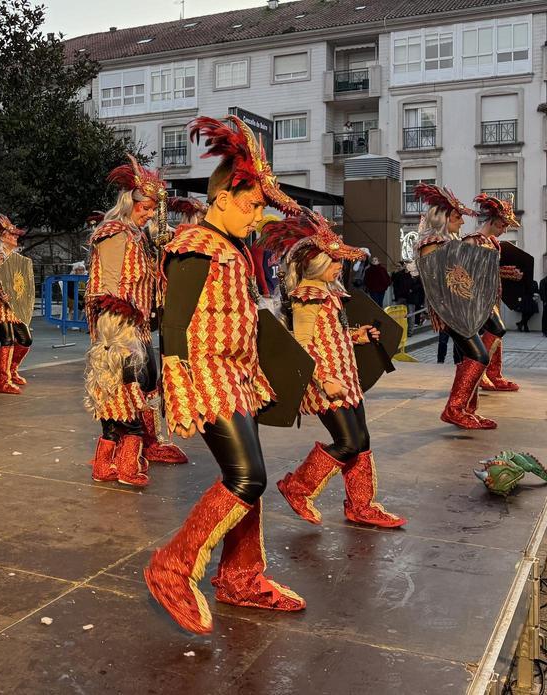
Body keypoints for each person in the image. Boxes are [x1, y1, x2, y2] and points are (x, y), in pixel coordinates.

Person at [145, 115, 306, 635]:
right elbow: (174, 322)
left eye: (261, 208)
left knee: (250, 479)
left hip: (238, 376)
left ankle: (241, 577)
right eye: (251, 205)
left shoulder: (233, 247)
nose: (257, 218)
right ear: (220, 198)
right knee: (247, 477)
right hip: (207, 374)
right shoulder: (198, 243)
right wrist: (177, 381)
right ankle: (171, 567)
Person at [262, 210, 405, 529]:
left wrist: (357, 335)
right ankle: (297, 488)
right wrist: (323, 379)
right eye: (335, 260)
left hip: (346, 379)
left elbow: (331, 334)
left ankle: (361, 506)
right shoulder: (308, 297)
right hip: (326, 384)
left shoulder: (331, 293)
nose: (341, 265)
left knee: (362, 440)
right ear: (317, 263)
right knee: (348, 442)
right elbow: (302, 345)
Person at [84, 155, 187, 489]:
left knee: (140, 386)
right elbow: (109, 287)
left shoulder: (138, 236)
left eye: (154, 209)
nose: (149, 214)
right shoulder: (114, 233)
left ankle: (116, 459)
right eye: (145, 207)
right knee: (122, 394)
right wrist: (118, 333)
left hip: (136, 324)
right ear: (130, 202)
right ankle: (124, 463)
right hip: (118, 326)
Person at [413, 184, 494, 429]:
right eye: (457, 217)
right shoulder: (432, 242)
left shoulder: (447, 242)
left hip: (460, 308)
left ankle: (467, 409)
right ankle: (455, 409)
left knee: (467, 355)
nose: (462, 222)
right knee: (479, 355)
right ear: (443, 218)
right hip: (450, 310)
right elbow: (439, 280)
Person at [471, 193, 521, 393]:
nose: (505, 230)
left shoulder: (492, 242)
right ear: (493, 220)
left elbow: (490, 270)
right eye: (503, 225)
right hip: (479, 299)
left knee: (497, 335)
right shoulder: (474, 241)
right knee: (493, 332)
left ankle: (493, 373)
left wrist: (508, 273)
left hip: (493, 297)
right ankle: (478, 372)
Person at [0, 213, 33, 394]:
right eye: (12, 235)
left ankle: (11, 370)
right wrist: (7, 295)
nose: (15, 237)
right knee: (7, 340)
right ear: (2, 237)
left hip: (14, 305)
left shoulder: (14, 257)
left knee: (26, 339)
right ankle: (2, 380)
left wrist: (20, 296)